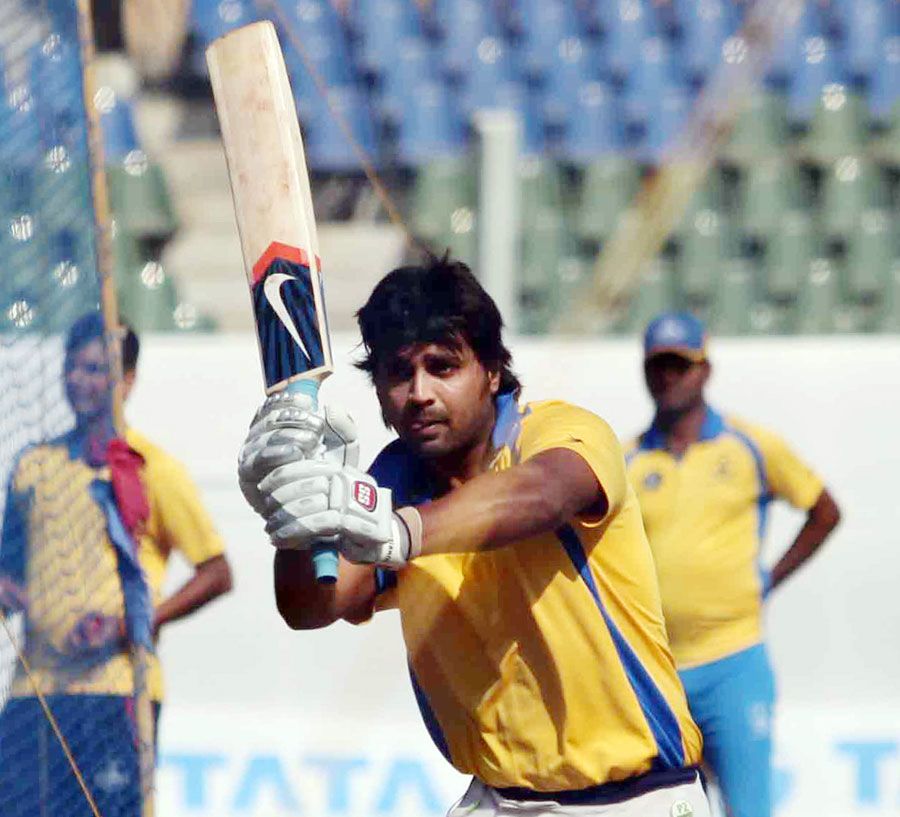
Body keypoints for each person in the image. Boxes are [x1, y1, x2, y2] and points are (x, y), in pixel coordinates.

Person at [238, 256, 710, 816]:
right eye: (398, 373)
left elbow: (541, 495)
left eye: (443, 367)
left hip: (634, 800)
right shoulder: (392, 481)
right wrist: (288, 513)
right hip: (497, 799)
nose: (419, 394)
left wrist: (398, 531)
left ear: (491, 371)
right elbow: (312, 605)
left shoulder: (558, 431)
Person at [0, 314, 232, 816]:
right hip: (35, 688)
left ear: (127, 380)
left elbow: (216, 571)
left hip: (117, 690)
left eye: (97, 370)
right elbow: (8, 572)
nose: (80, 382)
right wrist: (19, 597)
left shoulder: (150, 467)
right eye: (73, 367)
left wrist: (133, 624)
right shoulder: (32, 465)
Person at [625, 311, 841, 817]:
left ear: (705, 369)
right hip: (655, 674)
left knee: (748, 810)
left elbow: (824, 510)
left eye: (681, 365)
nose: (669, 377)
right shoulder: (627, 461)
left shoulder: (749, 446)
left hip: (733, 662)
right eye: (658, 366)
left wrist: (767, 579)